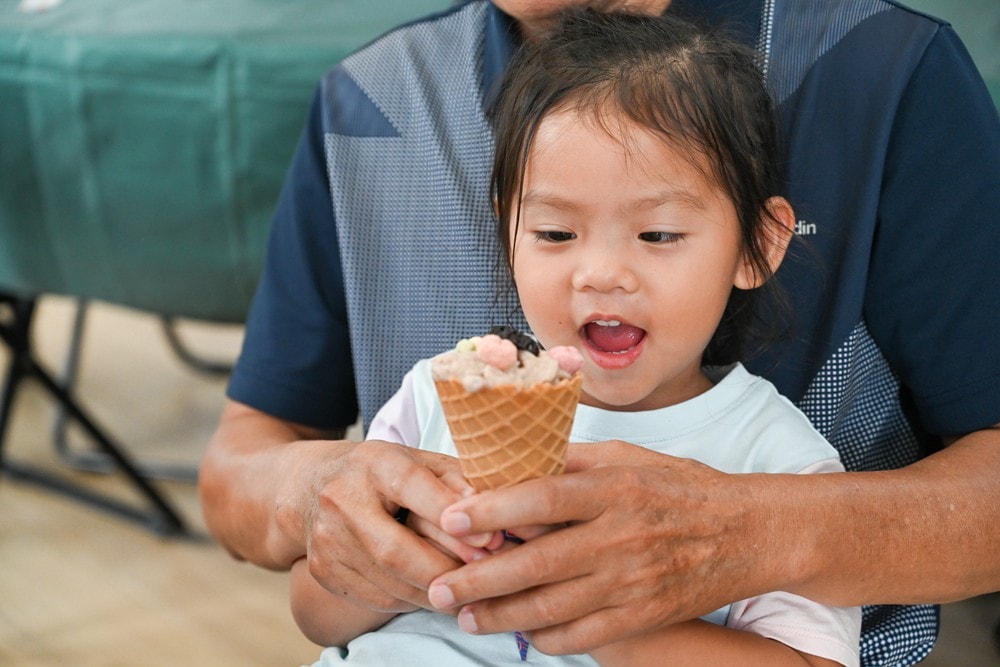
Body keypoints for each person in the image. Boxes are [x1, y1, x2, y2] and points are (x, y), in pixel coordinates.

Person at [198, 1, 1000, 665]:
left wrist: (739, 539)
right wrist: (341, 518)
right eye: (552, 234)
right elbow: (249, 481)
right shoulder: (369, 99)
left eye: (658, 236)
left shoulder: (880, 66)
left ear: (761, 243)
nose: (599, 273)